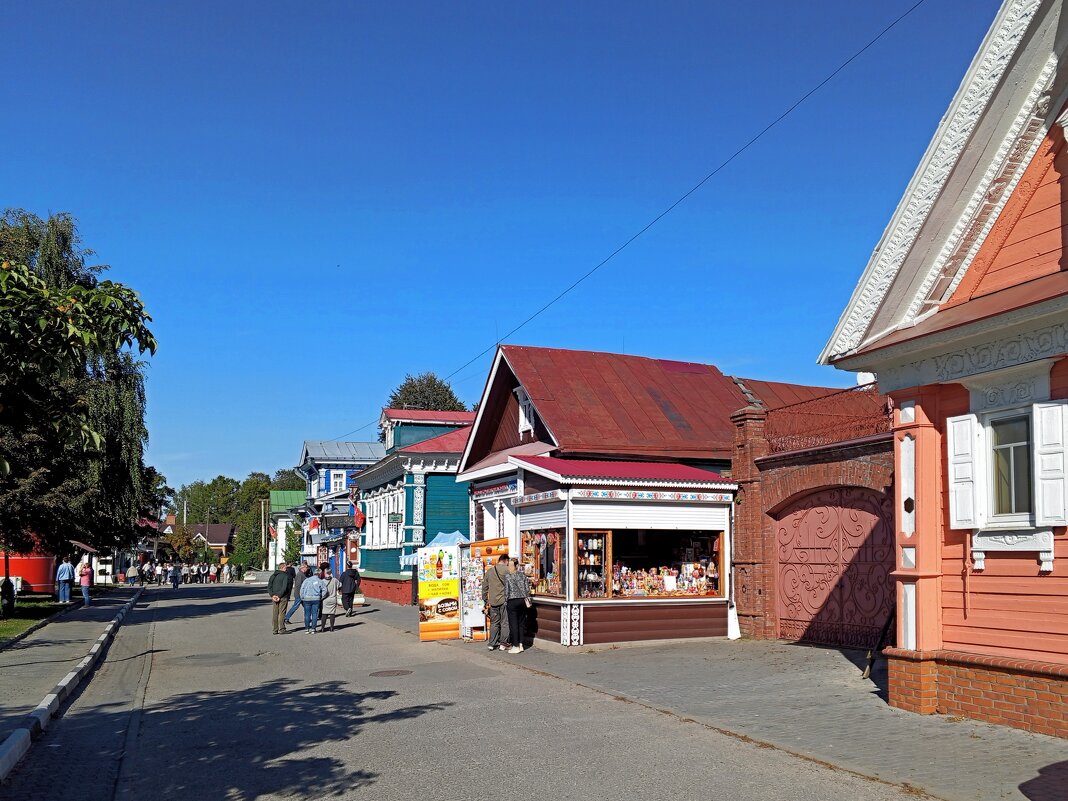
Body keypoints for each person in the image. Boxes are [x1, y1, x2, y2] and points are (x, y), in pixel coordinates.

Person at [482, 554, 510, 651]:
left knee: (494, 623)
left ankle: (492, 643)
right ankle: (503, 644)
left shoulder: (489, 571)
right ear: (506, 560)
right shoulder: (507, 570)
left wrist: (485, 600)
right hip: (504, 601)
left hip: (493, 601)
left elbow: (484, 587)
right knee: (504, 623)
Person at [504, 559, 531, 654]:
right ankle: (521, 644)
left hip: (512, 601)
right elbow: (527, 589)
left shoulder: (507, 577)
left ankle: (515, 646)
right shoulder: (522, 575)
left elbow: (506, 591)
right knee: (521, 623)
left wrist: (505, 601)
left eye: (510, 565)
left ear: (514, 566)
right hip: (522, 601)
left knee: (513, 624)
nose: (509, 567)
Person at [267, 561, 293, 635]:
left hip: (274, 596)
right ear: (282, 568)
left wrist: (272, 595)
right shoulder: (285, 576)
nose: (286, 569)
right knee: (282, 613)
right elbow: (284, 587)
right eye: (285, 567)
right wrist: (279, 595)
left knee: (275, 613)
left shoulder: (273, 576)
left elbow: (269, 587)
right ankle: (282, 629)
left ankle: (275, 629)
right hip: (283, 597)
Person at [299, 568, 327, 634]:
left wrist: (302, 597)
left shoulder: (306, 580)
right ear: (319, 574)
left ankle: (307, 629)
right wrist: (321, 597)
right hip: (316, 599)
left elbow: (302, 589)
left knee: (307, 614)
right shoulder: (320, 581)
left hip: (307, 598)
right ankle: (313, 629)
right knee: (314, 614)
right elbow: (325, 590)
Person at [284, 563, 309, 627]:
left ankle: (308, 618)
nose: (307, 569)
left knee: (306, 606)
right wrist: (301, 594)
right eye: (306, 567)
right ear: (303, 568)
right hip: (299, 594)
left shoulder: (302, 574)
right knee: (295, 606)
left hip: (301, 594)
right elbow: (298, 585)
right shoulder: (300, 575)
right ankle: (286, 618)